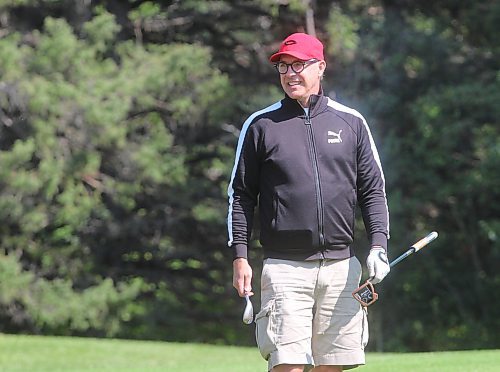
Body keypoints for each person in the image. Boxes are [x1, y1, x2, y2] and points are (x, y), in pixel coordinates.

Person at [227, 32, 390, 372]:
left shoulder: (352, 123)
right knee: (288, 365)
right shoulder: (261, 125)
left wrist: (378, 246)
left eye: (299, 65)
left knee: (332, 365)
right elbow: (240, 195)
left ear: (321, 67)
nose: (290, 74)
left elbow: (373, 190)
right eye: (283, 67)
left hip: (341, 269)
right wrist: (240, 255)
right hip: (285, 268)